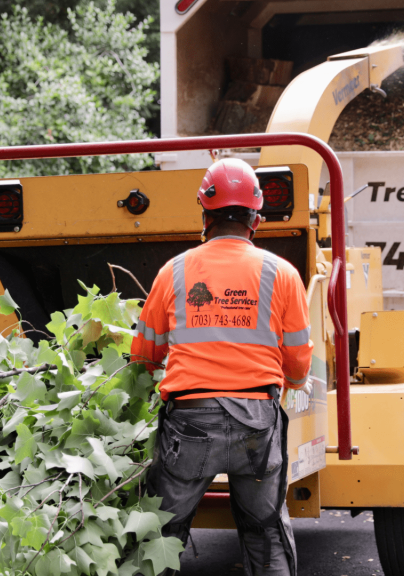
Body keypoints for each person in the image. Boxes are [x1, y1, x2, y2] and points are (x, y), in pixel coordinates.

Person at [130, 158, 313, 576]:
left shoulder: (172, 272)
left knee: (163, 535)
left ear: (204, 214)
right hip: (258, 423)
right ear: (256, 219)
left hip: (190, 422)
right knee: (265, 531)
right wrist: (296, 380)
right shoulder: (282, 274)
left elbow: (144, 356)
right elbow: (299, 361)